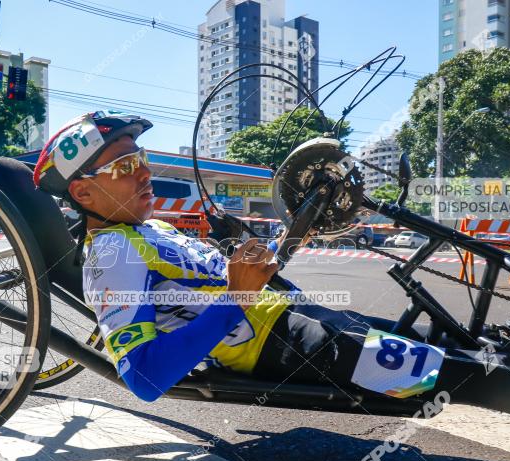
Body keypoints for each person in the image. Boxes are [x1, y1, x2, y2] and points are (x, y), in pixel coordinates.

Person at [32, 111, 451, 402]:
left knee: (451, 346)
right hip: (287, 345)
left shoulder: (149, 229)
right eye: (124, 167)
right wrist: (237, 296)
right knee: (463, 375)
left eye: (141, 159)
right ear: (82, 192)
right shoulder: (109, 254)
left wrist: (289, 234)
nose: (144, 173)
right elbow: (143, 377)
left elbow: (239, 279)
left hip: (298, 314)